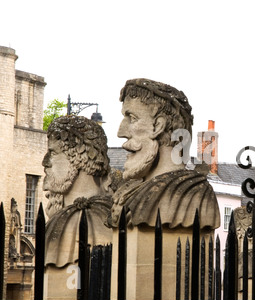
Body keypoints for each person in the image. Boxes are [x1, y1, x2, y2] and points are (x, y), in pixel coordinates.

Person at [106, 78, 220, 230]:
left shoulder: (192, 194)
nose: (121, 132)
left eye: (132, 118)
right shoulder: (130, 191)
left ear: (158, 126)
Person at [43, 115, 113, 267]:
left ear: (79, 155)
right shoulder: (61, 216)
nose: (45, 162)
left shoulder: (101, 217)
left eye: (53, 153)